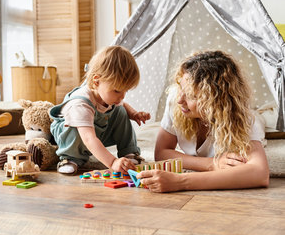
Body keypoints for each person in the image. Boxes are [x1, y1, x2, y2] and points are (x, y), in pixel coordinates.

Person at [138, 50, 269, 192]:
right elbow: (162, 152)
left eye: (191, 96)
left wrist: (180, 182)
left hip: (249, 118)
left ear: (216, 100)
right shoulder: (176, 100)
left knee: (261, 120)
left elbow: (260, 173)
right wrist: (212, 164)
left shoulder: (244, 120)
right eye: (181, 88)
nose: (180, 100)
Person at [50, 46, 150, 174]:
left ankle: (129, 151)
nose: (123, 95)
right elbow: (88, 138)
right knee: (76, 129)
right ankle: (69, 158)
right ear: (96, 81)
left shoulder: (108, 96)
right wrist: (112, 162)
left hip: (96, 129)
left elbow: (122, 104)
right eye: (118, 90)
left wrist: (133, 113)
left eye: (126, 90)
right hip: (72, 136)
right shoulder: (81, 103)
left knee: (120, 111)